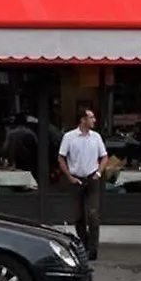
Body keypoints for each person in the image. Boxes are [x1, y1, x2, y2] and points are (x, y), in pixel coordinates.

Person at [57, 108, 109, 261]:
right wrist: (69, 177)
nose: (94, 120)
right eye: (91, 118)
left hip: (92, 178)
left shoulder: (96, 137)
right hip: (76, 180)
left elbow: (104, 157)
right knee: (79, 216)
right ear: (83, 120)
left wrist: (98, 173)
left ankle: (93, 250)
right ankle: (85, 245)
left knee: (93, 214)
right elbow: (61, 158)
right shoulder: (69, 137)